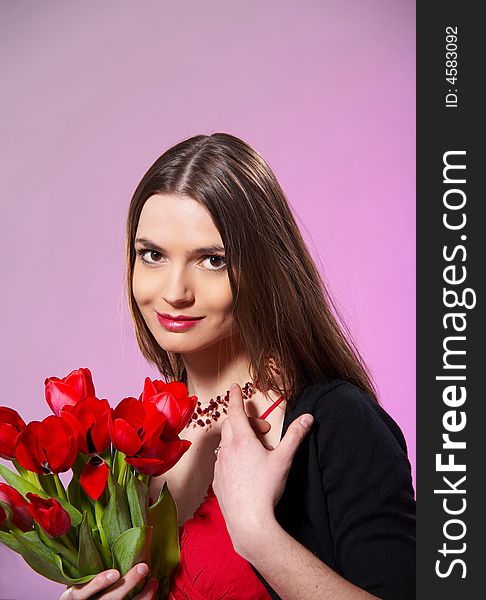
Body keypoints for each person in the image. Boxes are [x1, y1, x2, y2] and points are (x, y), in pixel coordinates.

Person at [60, 133, 416, 600]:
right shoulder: (135, 445)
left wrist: (258, 535)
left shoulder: (336, 422)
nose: (175, 291)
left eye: (211, 260)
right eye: (153, 255)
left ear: (263, 269)